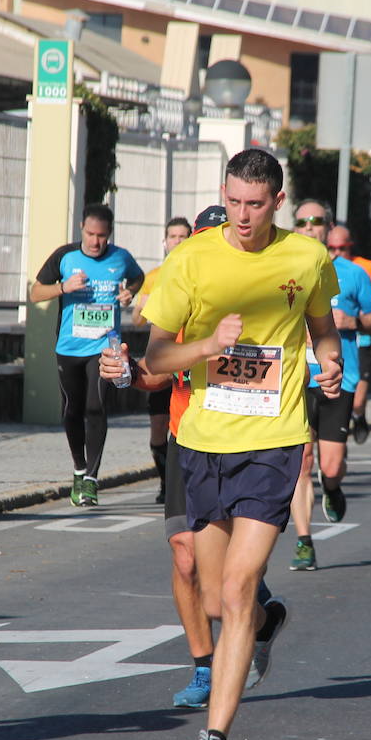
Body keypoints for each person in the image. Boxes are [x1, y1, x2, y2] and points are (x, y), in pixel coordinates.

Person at [142, 149, 342, 740]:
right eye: (232, 202)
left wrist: (332, 365)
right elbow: (154, 360)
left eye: (255, 204)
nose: (243, 215)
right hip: (202, 443)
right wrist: (206, 346)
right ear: (222, 196)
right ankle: (265, 622)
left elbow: (323, 329)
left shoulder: (307, 260)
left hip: (275, 439)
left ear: (277, 202)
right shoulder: (190, 260)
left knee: (235, 588)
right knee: (210, 592)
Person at [102, 205, 277, 709]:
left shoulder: (261, 300)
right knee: (184, 557)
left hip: (249, 445)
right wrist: (123, 373)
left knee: (228, 591)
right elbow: (154, 373)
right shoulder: (183, 307)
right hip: (190, 440)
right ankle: (204, 667)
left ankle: (262, 622)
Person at [30, 203, 144, 506]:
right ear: (81, 228)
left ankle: (91, 481)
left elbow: (137, 277)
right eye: (91, 234)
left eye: (102, 236)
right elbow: (35, 293)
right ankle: (79, 470)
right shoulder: (65, 256)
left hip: (104, 346)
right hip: (68, 347)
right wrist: (63, 287)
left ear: (110, 234)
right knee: (71, 410)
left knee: (96, 406)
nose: (96, 242)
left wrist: (129, 292)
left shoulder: (120, 258)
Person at [289, 224, 371, 571]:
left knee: (330, 467)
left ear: (327, 233)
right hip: (295, 380)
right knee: (301, 463)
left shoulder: (352, 273)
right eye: (302, 222)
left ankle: (332, 488)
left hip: (337, 379)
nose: (309, 229)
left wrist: (356, 319)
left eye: (316, 223)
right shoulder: (283, 265)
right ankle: (304, 542)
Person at [134, 216, 193, 503]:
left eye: (184, 237)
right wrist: (144, 306)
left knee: (183, 425)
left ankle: (178, 484)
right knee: (159, 428)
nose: (178, 242)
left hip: (191, 364)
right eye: (173, 237)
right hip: (163, 360)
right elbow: (136, 321)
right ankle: (165, 481)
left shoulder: (200, 272)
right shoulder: (154, 276)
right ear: (165, 241)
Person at [321, 225, 371, 444]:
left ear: (351, 246)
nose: (336, 253)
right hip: (316, 360)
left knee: (358, 400)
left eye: (342, 248)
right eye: (332, 247)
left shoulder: (363, 268)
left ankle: (357, 415)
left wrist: (355, 321)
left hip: (360, 341)